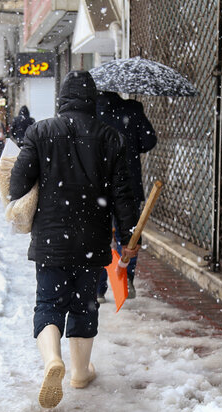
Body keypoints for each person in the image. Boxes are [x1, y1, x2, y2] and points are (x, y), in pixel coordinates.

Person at [9, 71, 139, 409]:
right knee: (84, 305)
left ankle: (53, 359)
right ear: (92, 100)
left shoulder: (40, 132)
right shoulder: (111, 137)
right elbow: (124, 195)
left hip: (51, 239)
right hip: (92, 240)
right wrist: (127, 237)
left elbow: (17, 185)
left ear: (62, 99)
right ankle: (80, 372)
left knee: (49, 304)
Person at [95, 91, 158, 303]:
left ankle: (98, 288)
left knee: (101, 234)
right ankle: (126, 280)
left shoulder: (92, 111)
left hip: (99, 185)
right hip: (128, 182)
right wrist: (131, 144)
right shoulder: (132, 109)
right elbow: (149, 141)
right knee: (129, 234)